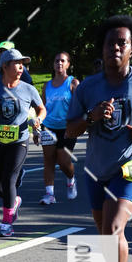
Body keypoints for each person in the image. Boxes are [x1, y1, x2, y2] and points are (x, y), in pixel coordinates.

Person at [66, 14, 132, 262]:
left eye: (122, 43)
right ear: (103, 49)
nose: (115, 49)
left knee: (114, 229)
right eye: (111, 43)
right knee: (103, 230)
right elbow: (69, 131)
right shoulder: (88, 87)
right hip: (95, 169)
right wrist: (91, 117)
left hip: (128, 168)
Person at [0, 48, 46, 237]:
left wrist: (39, 119)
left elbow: (42, 109)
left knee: (8, 179)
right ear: (5, 66)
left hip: (19, 141)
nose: (21, 67)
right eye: (17, 63)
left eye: (23, 64)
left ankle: (7, 223)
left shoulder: (28, 89)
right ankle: (14, 200)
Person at [36, 52, 79, 204]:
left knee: (63, 160)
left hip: (68, 128)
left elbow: (79, 106)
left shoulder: (73, 83)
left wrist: (78, 125)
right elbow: (42, 108)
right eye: (56, 61)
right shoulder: (46, 86)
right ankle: (49, 195)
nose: (59, 63)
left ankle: (71, 179)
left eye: (62, 61)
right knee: (48, 160)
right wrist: (38, 129)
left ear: (68, 64)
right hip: (49, 127)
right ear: (53, 64)